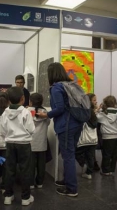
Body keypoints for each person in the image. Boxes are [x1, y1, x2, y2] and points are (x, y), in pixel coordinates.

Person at [37, 62, 83, 197]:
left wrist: (46, 114)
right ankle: (68, 180)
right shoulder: (71, 85)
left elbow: (60, 108)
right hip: (77, 123)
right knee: (70, 154)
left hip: (66, 125)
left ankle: (72, 188)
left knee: (67, 155)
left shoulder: (56, 88)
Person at [1, 87, 35, 206]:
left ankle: (8, 196)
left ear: (8, 100)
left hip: (10, 144)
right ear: (23, 98)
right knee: (25, 170)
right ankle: (25, 198)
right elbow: (31, 129)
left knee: (9, 170)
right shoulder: (26, 112)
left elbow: (2, 130)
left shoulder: (5, 112)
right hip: (24, 144)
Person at [28, 93, 50, 189]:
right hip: (42, 142)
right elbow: (48, 123)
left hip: (30, 142)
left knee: (30, 164)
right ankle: (40, 182)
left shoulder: (27, 111)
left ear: (30, 101)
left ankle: (31, 183)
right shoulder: (45, 112)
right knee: (41, 164)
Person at [97, 95, 117, 176]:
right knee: (115, 154)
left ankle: (105, 170)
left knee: (106, 154)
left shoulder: (102, 113)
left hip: (107, 137)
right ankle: (112, 169)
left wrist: (98, 109)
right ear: (115, 103)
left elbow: (96, 117)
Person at [75, 93, 98, 180]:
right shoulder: (93, 113)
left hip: (84, 139)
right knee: (91, 156)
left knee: (75, 152)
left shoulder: (83, 112)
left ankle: (83, 164)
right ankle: (88, 173)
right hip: (93, 139)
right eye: (94, 100)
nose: (96, 102)